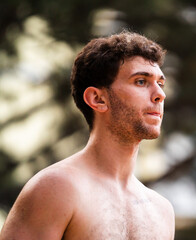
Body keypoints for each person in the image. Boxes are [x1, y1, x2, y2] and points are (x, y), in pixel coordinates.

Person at [0, 31, 175, 240]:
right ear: (97, 99)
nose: (160, 94)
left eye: (160, 83)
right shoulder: (57, 189)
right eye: (140, 81)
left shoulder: (162, 210)